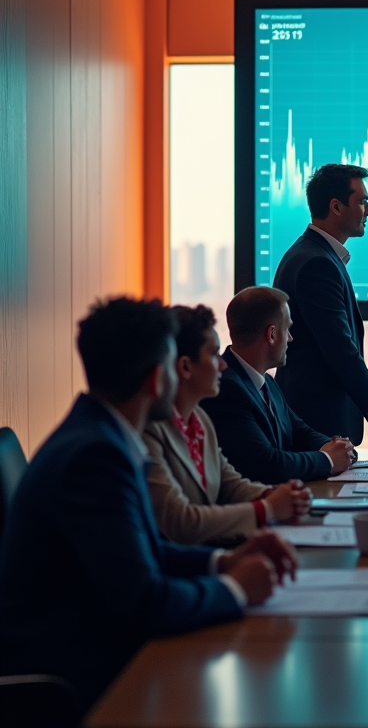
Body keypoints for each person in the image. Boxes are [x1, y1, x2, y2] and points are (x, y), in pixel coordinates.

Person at [0, 298, 298, 716]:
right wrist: (236, 589)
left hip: (99, 639)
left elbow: (145, 554)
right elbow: (146, 603)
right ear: (159, 379)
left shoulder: (101, 434)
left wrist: (223, 562)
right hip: (76, 672)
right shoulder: (97, 457)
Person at [273, 163, 368, 454]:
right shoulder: (317, 264)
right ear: (336, 206)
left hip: (314, 423)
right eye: (362, 202)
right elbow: (340, 350)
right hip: (315, 426)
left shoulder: (311, 254)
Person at [145, 304, 314, 546]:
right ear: (184, 367)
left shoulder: (200, 419)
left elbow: (229, 484)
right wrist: (267, 508)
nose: (223, 365)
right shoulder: (150, 430)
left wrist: (272, 494)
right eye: (214, 354)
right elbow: (180, 521)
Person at [201, 287, 354, 484]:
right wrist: (328, 460)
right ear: (272, 334)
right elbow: (267, 464)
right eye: (287, 329)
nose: (290, 338)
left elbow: (299, 432)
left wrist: (338, 448)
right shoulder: (226, 389)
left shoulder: (267, 383)